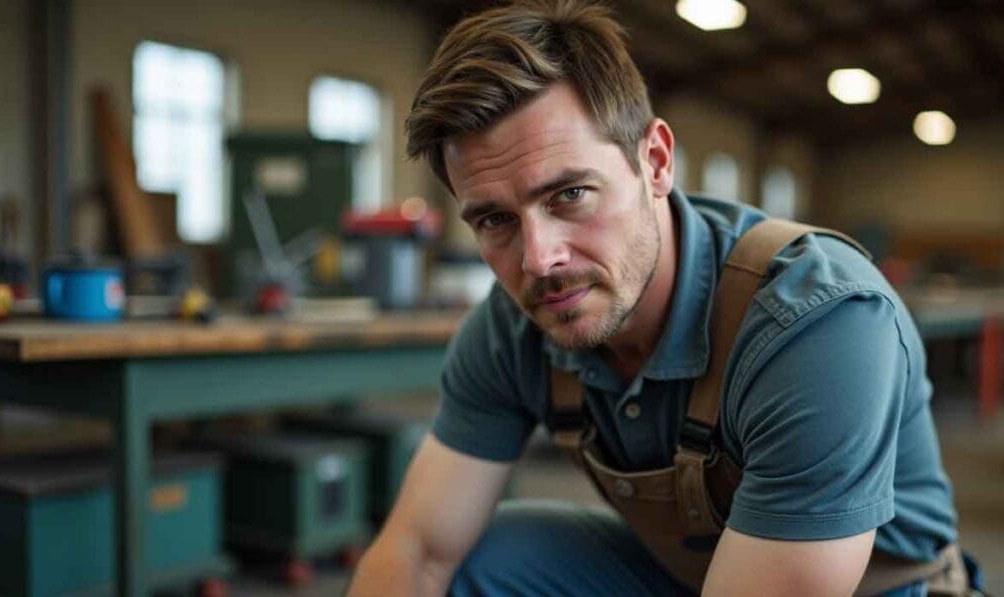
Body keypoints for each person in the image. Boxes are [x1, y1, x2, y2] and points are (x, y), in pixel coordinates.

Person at [347, 1, 978, 595]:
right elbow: (418, 550)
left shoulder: (818, 324)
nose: (540, 260)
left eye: (569, 195)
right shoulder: (512, 330)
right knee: (486, 556)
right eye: (494, 220)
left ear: (654, 161)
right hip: (693, 575)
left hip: (875, 588)